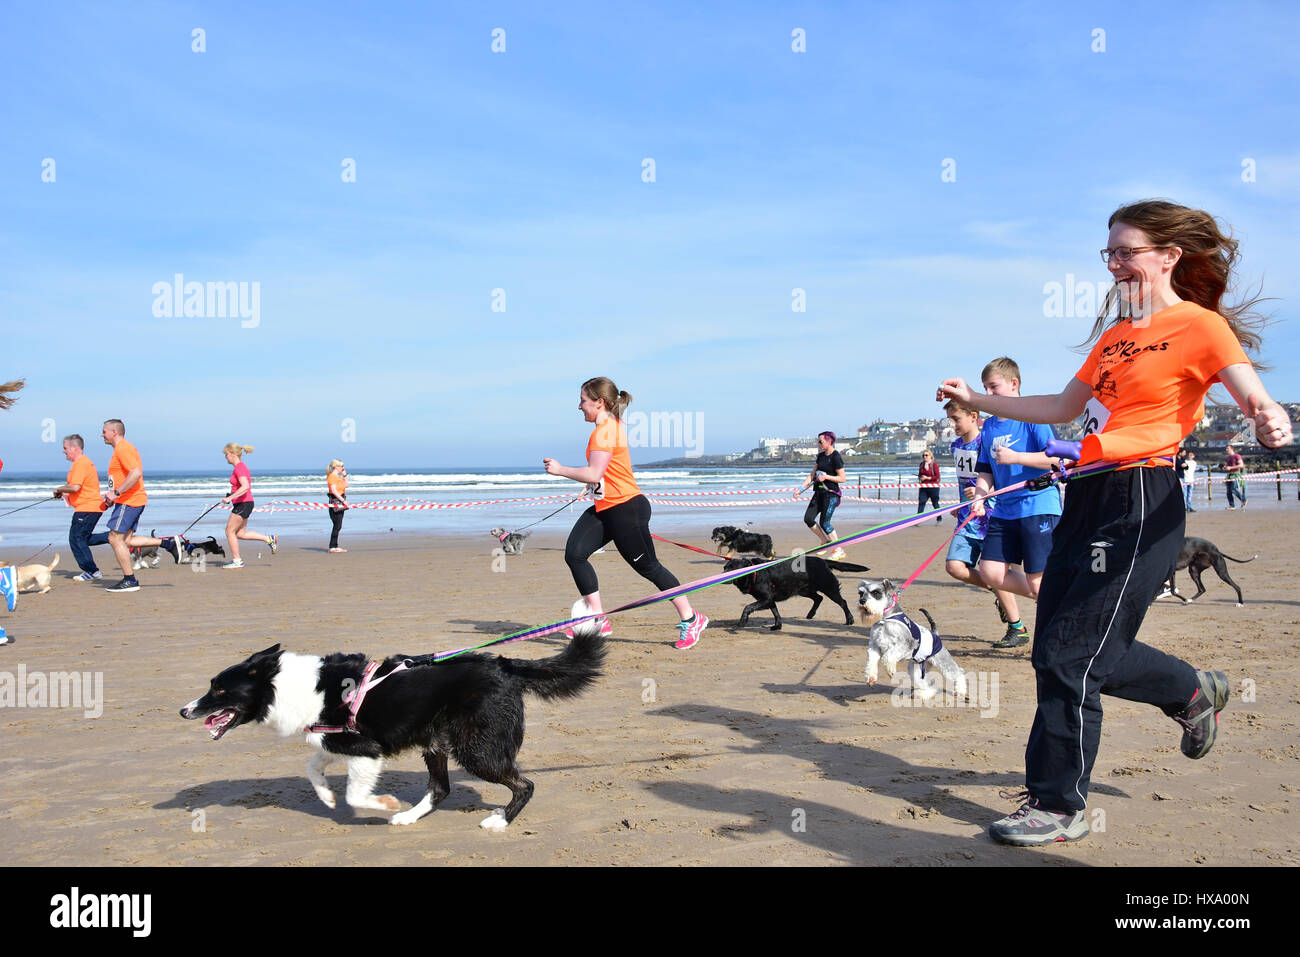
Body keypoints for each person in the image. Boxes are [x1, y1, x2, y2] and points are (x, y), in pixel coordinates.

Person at [938, 199, 1292, 846]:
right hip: (1087, 494)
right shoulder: (1114, 337)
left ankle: (1056, 802)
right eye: (1109, 254)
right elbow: (1062, 406)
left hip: (1140, 498)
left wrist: (1269, 413)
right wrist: (976, 399)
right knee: (1058, 650)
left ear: (1168, 256)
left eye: (1126, 251)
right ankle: (1191, 689)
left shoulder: (1200, 325)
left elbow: (1246, 390)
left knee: (1073, 653)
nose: (1115, 264)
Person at [544, 377, 708, 650]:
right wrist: (591, 486)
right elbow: (605, 471)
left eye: (583, 401)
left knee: (649, 567)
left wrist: (561, 470)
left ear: (599, 402)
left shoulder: (605, 431)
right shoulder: (608, 428)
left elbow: (595, 471)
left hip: (627, 508)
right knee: (575, 554)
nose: (579, 406)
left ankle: (691, 619)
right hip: (606, 506)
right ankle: (598, 619)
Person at [969, 357, 1062, 648]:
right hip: (1004, 509)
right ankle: (1054, 594)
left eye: (993, 387)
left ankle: (1054, 610)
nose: (989, 394)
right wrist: (981, 496)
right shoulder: (989, 428)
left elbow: (1056, 460)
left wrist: (1017, 458)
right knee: (990, 572)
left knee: (1037, 582)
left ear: (1014, 384)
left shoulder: (1033, 417)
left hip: (1038, 505)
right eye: (985, 389)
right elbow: (985, 469)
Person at [943, 400, 1026, 645]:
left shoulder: (987, 443)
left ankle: (1017, 628)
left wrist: (984, 494)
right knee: (954, 567)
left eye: (956, 419)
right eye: (950, 420)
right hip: (966, 519)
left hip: (992, 518)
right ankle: (998, 593)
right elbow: (963, 484)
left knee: (997, 573)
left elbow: (1003, 479)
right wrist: (960, 505)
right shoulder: (956, 446)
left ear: (974, 416)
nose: (953, 425)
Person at [101, 419, 181, 592]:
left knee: (114, 538)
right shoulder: (120, 449)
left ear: (114, 432)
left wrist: (116, 493)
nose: (102, 434)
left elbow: (136, 473)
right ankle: (168, 544)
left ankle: (130, 580)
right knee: (127, 540)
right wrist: (112, 496)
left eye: (104, 431)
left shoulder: (123, 448)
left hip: (129, 501)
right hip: (129, 500)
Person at [52, 434, 111, 581]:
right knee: (81, 539)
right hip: (88, 507)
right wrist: (63, 492)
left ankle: (92, 571)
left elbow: (75, 487)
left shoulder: (81, 463)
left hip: (87, 508)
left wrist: (60, 489)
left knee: (77, 539)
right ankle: (113, 537)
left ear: (74, 448)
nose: (63, 451)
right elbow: (79, 488)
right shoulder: (81, 464)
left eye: (65, 448)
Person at [219, 444, 276, 568]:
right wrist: (232, 495)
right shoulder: (239, 467)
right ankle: (268, 539)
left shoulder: (240, 468)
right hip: (245, 503)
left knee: (229, 531)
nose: (225, 457)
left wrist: (230, 498)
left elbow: (245, 486)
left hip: (243, 503)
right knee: (240, 533)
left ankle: (237, 561)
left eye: (226, 454)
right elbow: (241, 487)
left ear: (233, 454)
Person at [795, 432, 847, 560]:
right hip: (818, 493)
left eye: (820, 441)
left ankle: (838, 549)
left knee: (824, 522)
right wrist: (800, 489)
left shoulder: (836, 457)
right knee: (808, 518)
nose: (818, 444)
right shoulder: (821, 456)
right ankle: (825, 541)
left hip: (831, 494)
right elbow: (812, 475)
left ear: (829, 442)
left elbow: (842, 478)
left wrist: (827, 477)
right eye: (818, 441)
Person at [326, 459, 348, 553]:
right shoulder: (332, 477)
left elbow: (347, 485)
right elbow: (334, 491)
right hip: (335, 501)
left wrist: (344, 475)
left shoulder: (338, 477)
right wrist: (343, 501)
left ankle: (334, 546)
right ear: (336, 467)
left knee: (338, 525)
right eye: (341, 466)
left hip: (341, 500)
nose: (343, 468)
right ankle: (332, 546)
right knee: (337, 525)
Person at [916, 449, 942, 522]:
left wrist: (928, 478)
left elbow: (937, 476)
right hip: (924, 487)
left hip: (933, 487)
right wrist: (920, 478)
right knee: (921, 502)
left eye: (926, 455)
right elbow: (920, 475)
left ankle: (939, 518)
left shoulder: (934, 465)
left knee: (935, 503)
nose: (925, 457)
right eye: (923, 455)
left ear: (930, 456)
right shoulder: (921, 464)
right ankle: (918, 520)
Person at [1223, 444, 1246, 508]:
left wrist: (1231, 468)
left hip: (1235, 474)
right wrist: (1226, 467)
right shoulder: (1228, 457)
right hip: (1229, 475)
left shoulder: (1237, 456)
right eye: (1226, 448)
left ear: (1232, 449)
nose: (1226, 450)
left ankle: (1243, 500)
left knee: (1233, 489)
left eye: (1228, 448)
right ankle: (1231, 505)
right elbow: (1229, 466)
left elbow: (1241, 465)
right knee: (1228, 492)